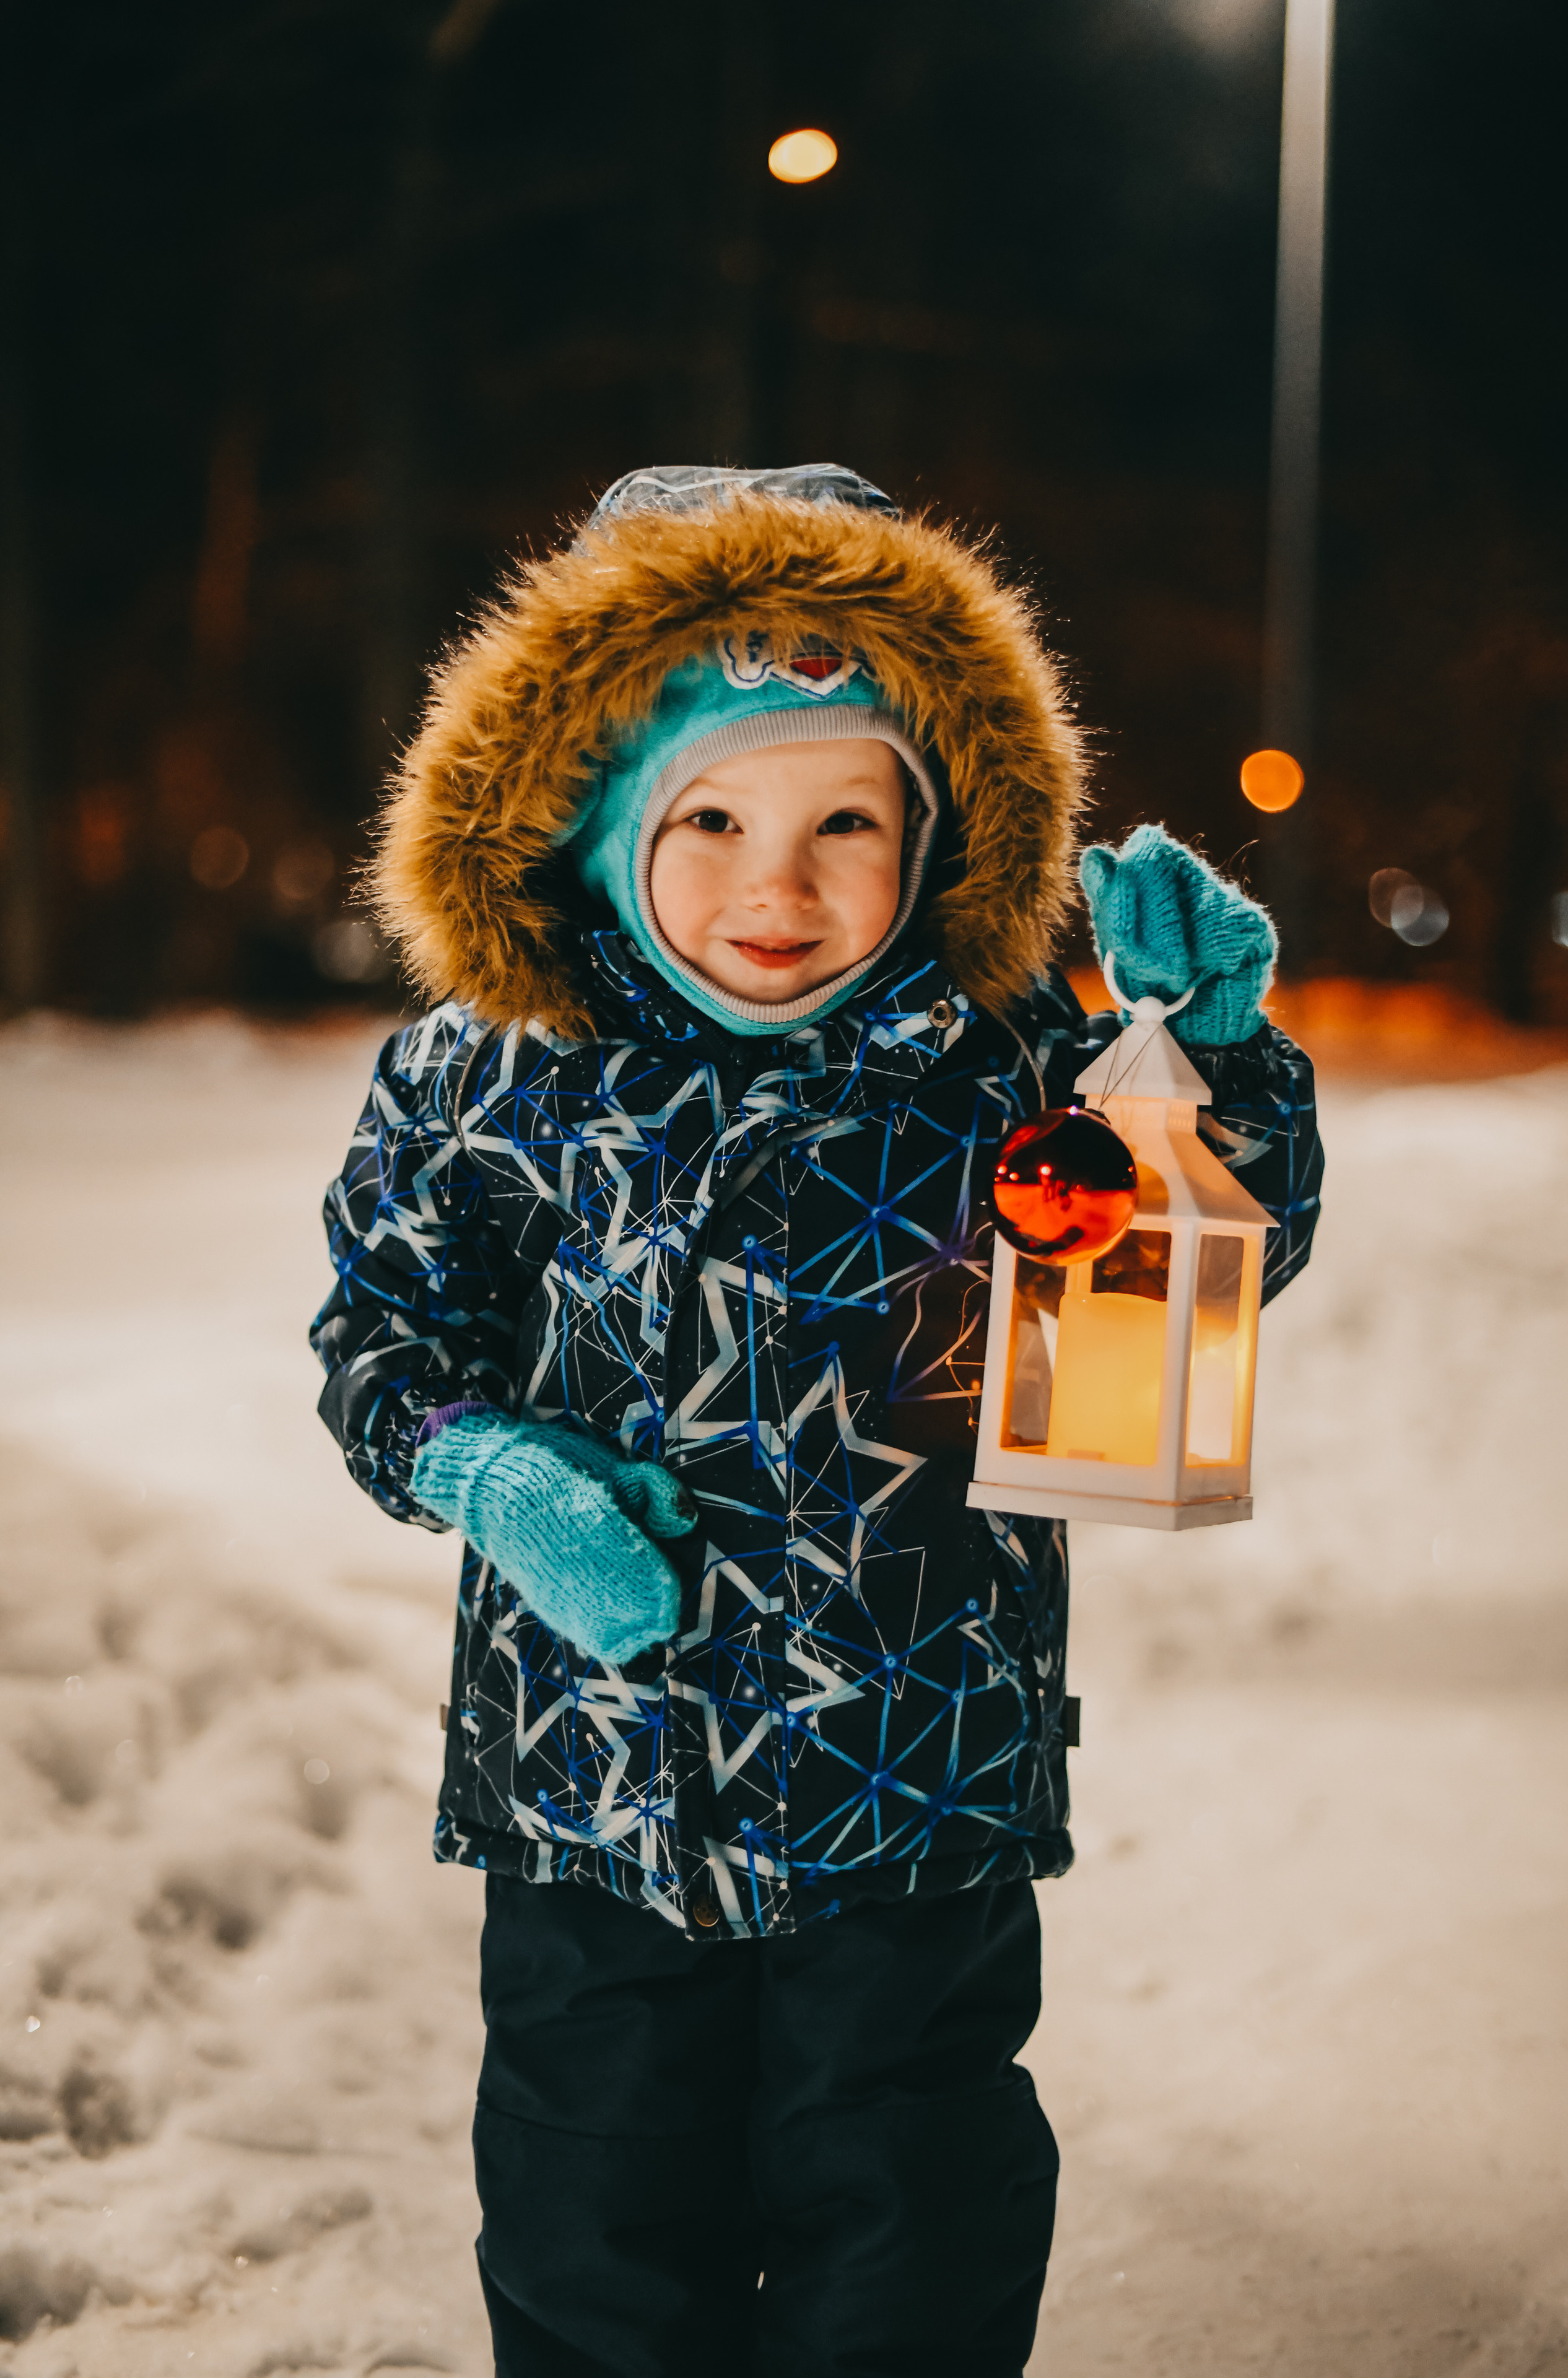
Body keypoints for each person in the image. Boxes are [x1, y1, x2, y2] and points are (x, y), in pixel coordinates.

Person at [311, 463, 1322, 2378]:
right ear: (597, 816)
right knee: (592, 2211)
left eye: (847, 815)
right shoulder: (486, 1072)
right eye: (711, 816)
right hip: (588, 1782)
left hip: (919, 1779)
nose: (778, 886)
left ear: (941, 831)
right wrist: (476, 1458)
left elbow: (1174, 1295)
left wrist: (1214, 1070)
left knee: (912, 2212)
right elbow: (383, 1333)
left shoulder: (1005, 1051)